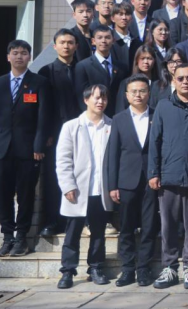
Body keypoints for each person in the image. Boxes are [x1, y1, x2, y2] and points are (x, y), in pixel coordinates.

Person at [0, 39, 52, 258]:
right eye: (15, 52)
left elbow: (43, 118)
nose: (19, 56)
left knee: (25, 195)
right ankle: (8, 237)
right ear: (8, 57)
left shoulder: (39, 82)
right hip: (2, 149)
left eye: (23, 53)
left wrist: (39, 145)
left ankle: (21, 237)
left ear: (29, 57)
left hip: (28, 150)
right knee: (3, 195)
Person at [148, 64, 188, 290]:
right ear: (173, 80)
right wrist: (154, 172)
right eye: (181, 78)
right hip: (168, 176)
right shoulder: (163, 106)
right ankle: (170, 267)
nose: (185, 82)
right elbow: (155, 141)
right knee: (168, 225)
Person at [55, 85, 115, 289]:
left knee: (98, 232)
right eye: (96, 98)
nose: (101, 102)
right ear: (86, 100)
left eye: (104, 98)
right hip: (78, 189)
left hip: (101, 189)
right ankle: (67, 271)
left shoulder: (111, 125)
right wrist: (67, 185)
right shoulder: (72, 126)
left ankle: (96, 267)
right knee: (72, 232)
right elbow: (63, 159)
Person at [107, 74, 158, 288]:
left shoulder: (157, 115)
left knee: (149, 226)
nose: (138, 95)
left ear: (149, 93)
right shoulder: (118, 119)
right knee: (126, 227)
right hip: (126, 180)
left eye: (142, 91)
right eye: (134, 91)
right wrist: (112, 185)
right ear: (127, 95)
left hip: (151, 180)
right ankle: (127, 268)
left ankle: (144, 268)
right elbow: (112, 154)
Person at [38, 29, 81, 237]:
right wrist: (46, 134)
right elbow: (43, 108)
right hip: (55, 134)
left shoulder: (83, 69)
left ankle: (78, 221)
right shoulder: (46, 72)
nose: (66, 46)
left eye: (70, 42)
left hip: (81, 131)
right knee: (54, 177)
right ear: (54, 46)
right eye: (62, 42)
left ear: (76, 46)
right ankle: (53, 221)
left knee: (80, 174)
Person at [74, 25, 129, 118]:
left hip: (117, 116)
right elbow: (82, 96)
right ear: (93, 41)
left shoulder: (122, 67)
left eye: (107, 37)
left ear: (113, 40)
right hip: (94, 116)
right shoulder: (83, 66)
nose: (104, 41)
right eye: (99, 38)